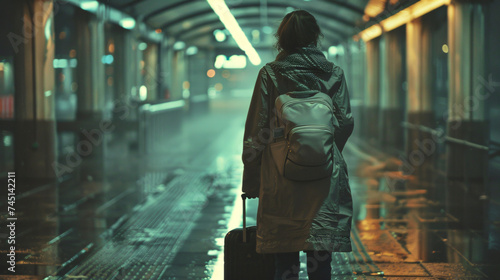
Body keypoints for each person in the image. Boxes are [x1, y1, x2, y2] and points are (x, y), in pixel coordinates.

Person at [242, 10, 354, 280]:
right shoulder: (333, 73)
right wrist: (321, 149)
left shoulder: (270, 74)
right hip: (324, 180)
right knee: (320, 261)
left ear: (283, 38)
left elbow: (257, 134)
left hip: (280, 179)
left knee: (285, 261)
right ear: (315, 36)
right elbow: (345, 122)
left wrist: (252, 182)